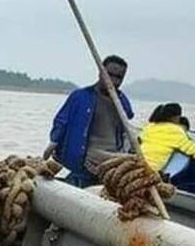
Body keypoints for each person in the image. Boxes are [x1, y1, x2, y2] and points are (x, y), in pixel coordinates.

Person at [44, 55, 133, 187]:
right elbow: (61, 121)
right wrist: (54, 142)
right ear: (100, 73)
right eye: (109, 75)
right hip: (86, 158)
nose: (113, 81)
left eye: (118, 77)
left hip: (111, 160)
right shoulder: (80, 96)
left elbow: (128, 120)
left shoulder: (121, 101)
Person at [140, 103, 195, 173]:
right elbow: (191, 148)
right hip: (149, 170)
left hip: (138, 164)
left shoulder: (150, 127)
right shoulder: (174, 131)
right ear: (175, 117)